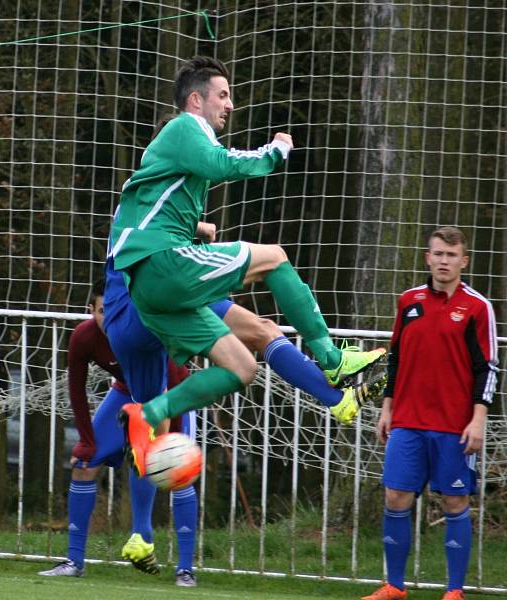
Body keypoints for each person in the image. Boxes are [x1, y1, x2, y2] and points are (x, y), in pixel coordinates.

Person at [111, 56, 385, 474]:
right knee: (274, 258)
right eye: (223, 95)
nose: (230, 104)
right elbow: (223, 164)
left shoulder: (179, 147)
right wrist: (273, 153)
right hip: (162, 264)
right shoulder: (186, 126)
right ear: (196, 99)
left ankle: (148, 415)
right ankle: (331, 360)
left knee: (242, 367)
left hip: (149, 284)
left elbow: (143, 203)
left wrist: (197, 228)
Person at [363, 227, 498, 600]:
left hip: (454, 426)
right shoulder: (408, 301)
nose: (443, 261)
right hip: (406, 420)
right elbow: (397, 359)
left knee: (454, 502)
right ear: (427, 257)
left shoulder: (477, 307)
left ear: (463, 261)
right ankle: (394, 586)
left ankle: (455, 591)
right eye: (438, 254)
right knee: (395, 498)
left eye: (451, 255)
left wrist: (478, 418)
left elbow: (488, 367)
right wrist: (387, 408)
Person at [38, 279, 199, 586]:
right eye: (101, 311)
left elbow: (171, 380)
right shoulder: (83, 337)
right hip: (125, 393)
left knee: (178, 473)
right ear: (91, 310)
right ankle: (74, 562)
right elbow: (77, 390)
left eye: (114, 310)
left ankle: (185, 569)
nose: (108, 317)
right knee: (83, 465)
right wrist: (86, 441)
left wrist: (170, 442)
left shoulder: (146, 330)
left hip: (171, 395)